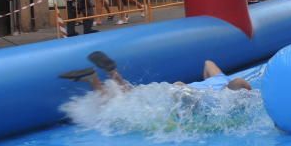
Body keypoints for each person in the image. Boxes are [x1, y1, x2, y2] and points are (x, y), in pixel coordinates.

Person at [60, 51, 252, 94]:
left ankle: (109, 75)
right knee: (130, 99)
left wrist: (205, 80)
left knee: (133, 95)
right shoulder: (224, 86)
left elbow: (208, 62)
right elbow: (240, 82)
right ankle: (94, 79)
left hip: (189, 88)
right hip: (189, 93)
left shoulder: (218, 78)